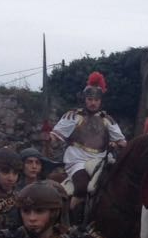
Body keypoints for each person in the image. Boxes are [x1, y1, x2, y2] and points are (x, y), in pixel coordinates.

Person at [49, 72, 126, 207]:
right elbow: (56, 135)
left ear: (100, 101)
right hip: (77, 158)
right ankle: (72, 220)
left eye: (96, 100)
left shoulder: (107, 120)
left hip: (100, 159)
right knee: (82, 187)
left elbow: (121, 141)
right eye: (90, 99)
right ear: (85, 100)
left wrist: (120, 145)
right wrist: (50, 138)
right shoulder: (73, 116)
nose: (93, 103)